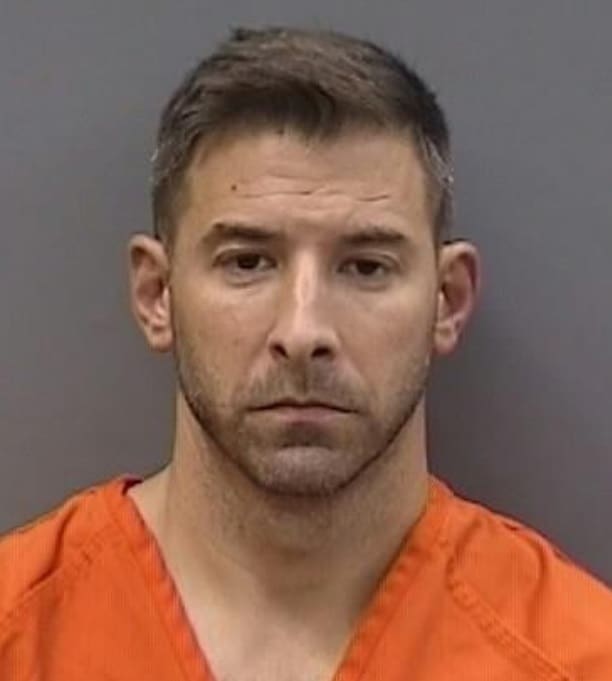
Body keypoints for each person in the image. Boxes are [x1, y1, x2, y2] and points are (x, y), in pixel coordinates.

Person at [1, 25, 610, 681]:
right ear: (157, 294)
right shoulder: (19, 631)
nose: (303, 329)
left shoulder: (579, 657)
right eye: (247, 262)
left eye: (366, 266)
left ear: (448, 300)